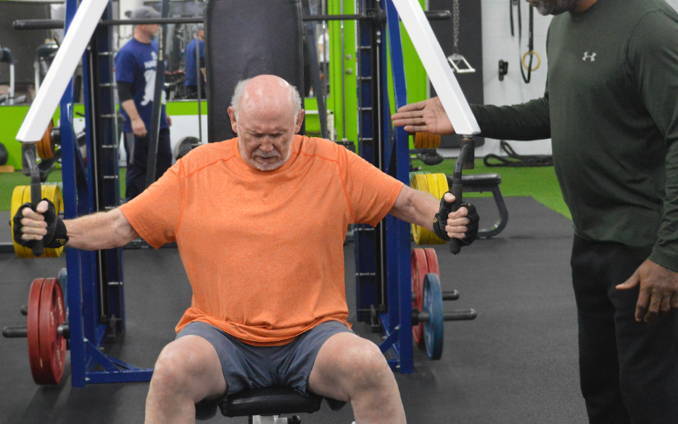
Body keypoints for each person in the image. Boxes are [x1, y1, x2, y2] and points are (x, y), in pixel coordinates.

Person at [14, 74, 479, 424]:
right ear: (233, 120)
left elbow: (404, 200)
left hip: (314, 336)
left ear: (298, 121)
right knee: (172, 368)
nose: (267, 147)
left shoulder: (333, 163)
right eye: (255, 134)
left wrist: (443, 215)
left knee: (369, 365)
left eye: (279, 134)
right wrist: (59, 231)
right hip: (221, 336)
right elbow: (119, 225)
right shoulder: (195, 170)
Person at [392, 0, 678, 423]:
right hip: (592, 240)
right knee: (602, 392)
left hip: (646, 245)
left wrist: (672, 256)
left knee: (657, 399)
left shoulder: (648, 27)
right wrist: (468, 116)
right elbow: (553, 111)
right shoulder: (564, 25)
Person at [117, 5, 173, 201]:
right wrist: (134, 119)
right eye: (153, 21)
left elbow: (156, 83)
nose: (158, 24)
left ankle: (161, 212)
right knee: (138, 171)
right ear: (141, 24)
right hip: (139, 125)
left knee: (164, 166)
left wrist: (163, 111)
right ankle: (133, 218)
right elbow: (123, 90)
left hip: (159, 122)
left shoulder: (156, 48)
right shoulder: (127, 53)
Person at [184, 27, 206, 99]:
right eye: (204, 30)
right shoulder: (201, 44)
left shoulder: (190, 44)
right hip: (198, 80)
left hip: (189, 80)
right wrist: (206, 77)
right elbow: (202, 62)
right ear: (199, 31)